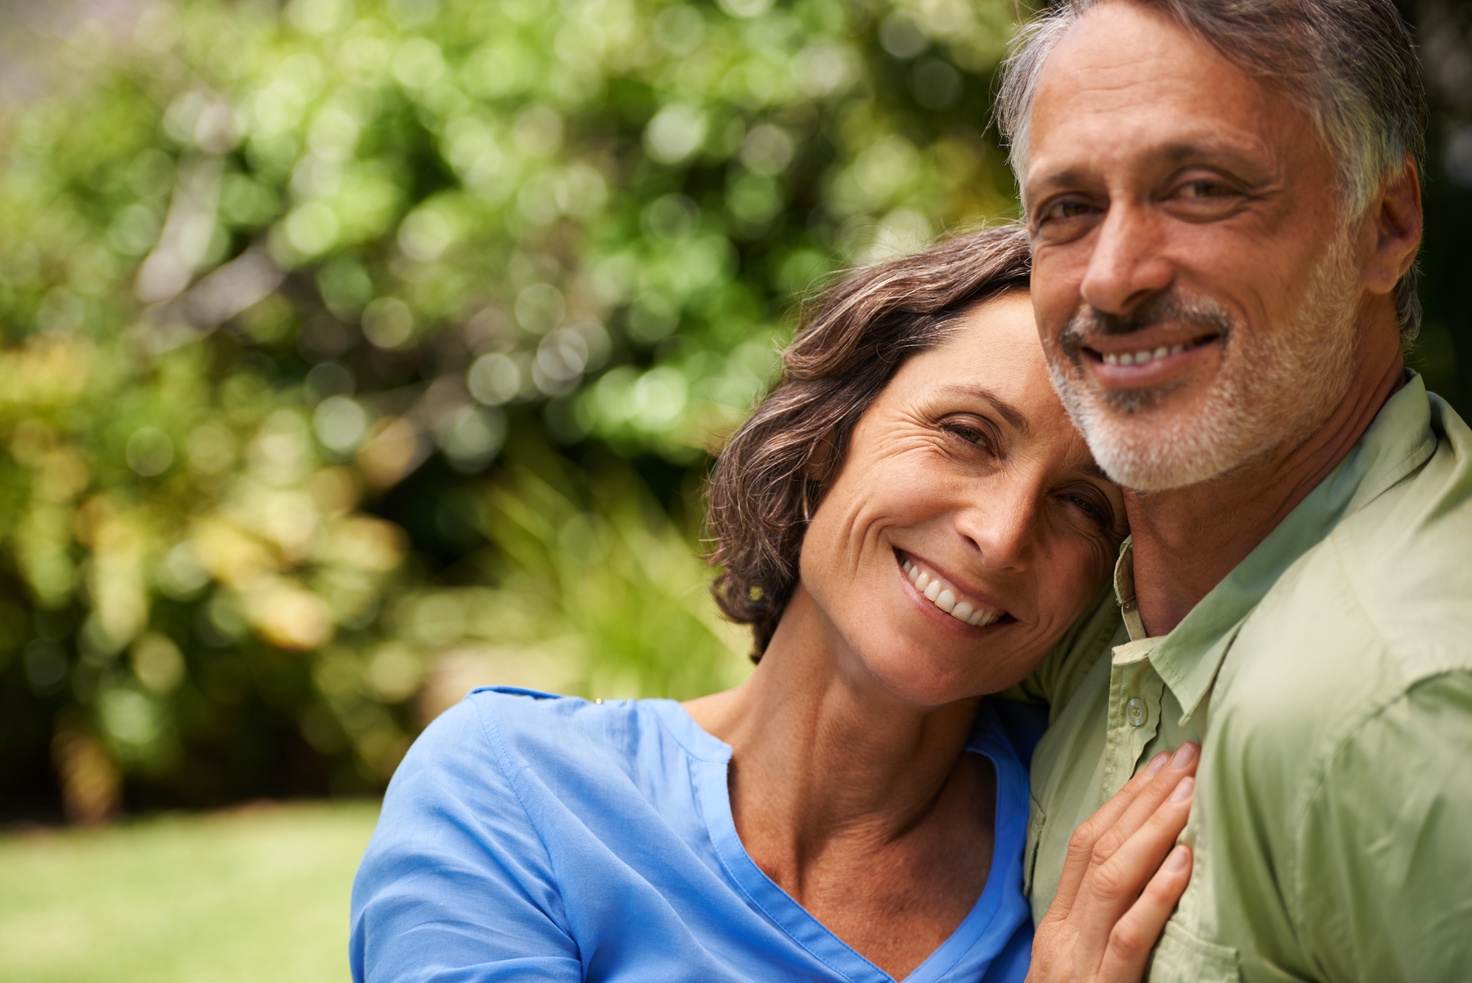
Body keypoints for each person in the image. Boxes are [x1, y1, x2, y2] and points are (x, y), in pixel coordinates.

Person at [350, 226, 1200, 983]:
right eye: (968, 434)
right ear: (826, 441)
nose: (1004, 533)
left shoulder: (1097, 829)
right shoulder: (513, 790)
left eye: (1085, 505)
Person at [993, 2, 1472, 981]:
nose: (1114, 279)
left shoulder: (1394, 705)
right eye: (1067, 210)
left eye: (1201, 189)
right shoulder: (1079, 603)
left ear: (1383, 224)